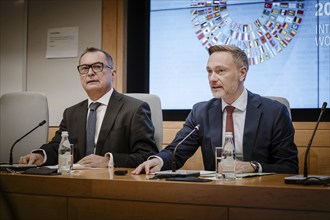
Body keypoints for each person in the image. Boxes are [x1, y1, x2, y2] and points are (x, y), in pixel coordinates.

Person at [133, 45, 298, 175]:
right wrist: (158, 161)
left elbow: (289, 167)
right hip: (216, 194)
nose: (212, 79)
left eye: (220, 71)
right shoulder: (201, 112)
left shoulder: (274, 112)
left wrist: (254, 166)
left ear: (242, 73)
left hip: (261, 194)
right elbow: (177, 151)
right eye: (209, 72)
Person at [19, 47, 159, 168]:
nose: (90, 73)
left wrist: (108, 161)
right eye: (85, 68)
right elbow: (58, 147)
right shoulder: (71, 113)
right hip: (76, 183)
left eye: (98, 66)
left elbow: (147, 155)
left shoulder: (134, 109)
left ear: (113, 74)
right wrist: (40, 155)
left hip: (115, 184)